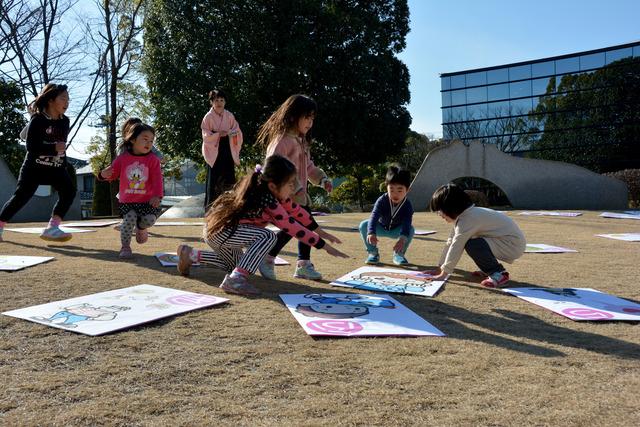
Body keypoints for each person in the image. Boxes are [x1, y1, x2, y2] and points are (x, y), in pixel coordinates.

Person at [176, 155, 347, 296]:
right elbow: (292, 226)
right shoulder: (268, 200)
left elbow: (299, 213)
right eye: (290, 183)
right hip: (222, 232)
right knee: (268, 236)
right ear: (273, 185)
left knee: (233, 265)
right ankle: (235, 281)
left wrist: (321, 232)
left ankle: (191, 255)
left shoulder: (275, 196)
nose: (293, 187)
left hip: (219, 233)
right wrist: (323, 246)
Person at [256, 94, 333, 280]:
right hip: (285, 196)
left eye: (312, 118)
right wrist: (288, 188)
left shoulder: (302, 141)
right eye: (307, 117)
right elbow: (272, 165)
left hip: (299, 195)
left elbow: (309, 167)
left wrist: (322, 179)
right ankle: (268, 257)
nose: (310, 122)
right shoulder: (282, 141)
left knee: (301, 228)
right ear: (293, 116)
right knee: (294, 227)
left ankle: (303, 264)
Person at [0, 84, 76, 242]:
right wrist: (53, 147)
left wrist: (62, 163)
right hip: (34, 168)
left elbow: (60, 146)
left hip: (55, 167)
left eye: (68, 99)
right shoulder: (38, 120)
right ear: (50, 100)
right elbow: (31, 147)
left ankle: (52, 227)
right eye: (63, 98)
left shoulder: (65, 121)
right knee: (20, 197)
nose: (67, 102)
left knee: (69, 191)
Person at [426, 183, 526, 288]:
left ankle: (499, 274)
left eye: (440, 210)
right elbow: (450, 242)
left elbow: (456, 246)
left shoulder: (468, 219)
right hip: (505, 242)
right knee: (474, 243)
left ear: (451, 207)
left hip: (512, 245)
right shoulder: (465, 217)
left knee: (473, 244)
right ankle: (489, 270)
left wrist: (444, 274)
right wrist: (439, 268)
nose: (440, 214)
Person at [97, 122, 163, 258]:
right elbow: (112, 174)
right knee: (128, 220)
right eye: (145, 139)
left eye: (151, 141)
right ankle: (125, 247)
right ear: (132, 140)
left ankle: (141, 228)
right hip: (128, 201)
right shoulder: (123, 158)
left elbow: (157, 179)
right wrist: (103, 174)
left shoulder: (153, 160)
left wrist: (157, 195)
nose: (149, 143)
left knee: (149, 220)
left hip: (147, 201)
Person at [359, 165, 414, 266]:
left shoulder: (407, 205)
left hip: (396, 230)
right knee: (364, 225)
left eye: (400, 190)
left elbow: (407, 222)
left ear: (408, 190)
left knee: (410, 229)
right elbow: (374, 216)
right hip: (381, 227)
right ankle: (373, 253)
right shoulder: (382, 200)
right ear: (386, 187)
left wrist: (402, 239)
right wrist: (371, 232)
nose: (395, 194)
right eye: (391, 189)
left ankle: (399, 254)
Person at [201, 89, 243, 209]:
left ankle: (230, 207)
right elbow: (205, 135)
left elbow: (237, 130)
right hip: (214, 149)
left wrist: (229, 132)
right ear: (211, 102)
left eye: (222, 100)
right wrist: (218, 134)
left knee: (229, 177)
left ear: (225, 102)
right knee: (214, 179)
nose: (219, 102)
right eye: (216, 100)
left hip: (227, 147)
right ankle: (211, 208)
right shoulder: (208, 117)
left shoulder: (229, 115)